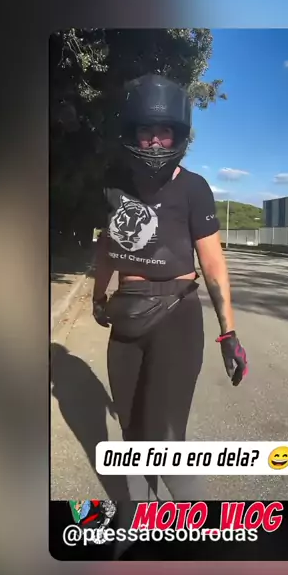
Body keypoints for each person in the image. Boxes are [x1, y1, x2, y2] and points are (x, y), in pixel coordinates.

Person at [91, 73, 248, 501]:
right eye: (147, 131)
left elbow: (212, 262)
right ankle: (143, 519)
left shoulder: (194, 188)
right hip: (126, 317)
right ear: (133, 134)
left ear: (179, 135)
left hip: (176, 316)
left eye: (165, 132)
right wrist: (98, 297)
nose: (156, 141)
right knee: (131, 434)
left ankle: (199, 523)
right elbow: (106, 248)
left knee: (166, 441)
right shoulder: (113, 186)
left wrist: (229, 333)